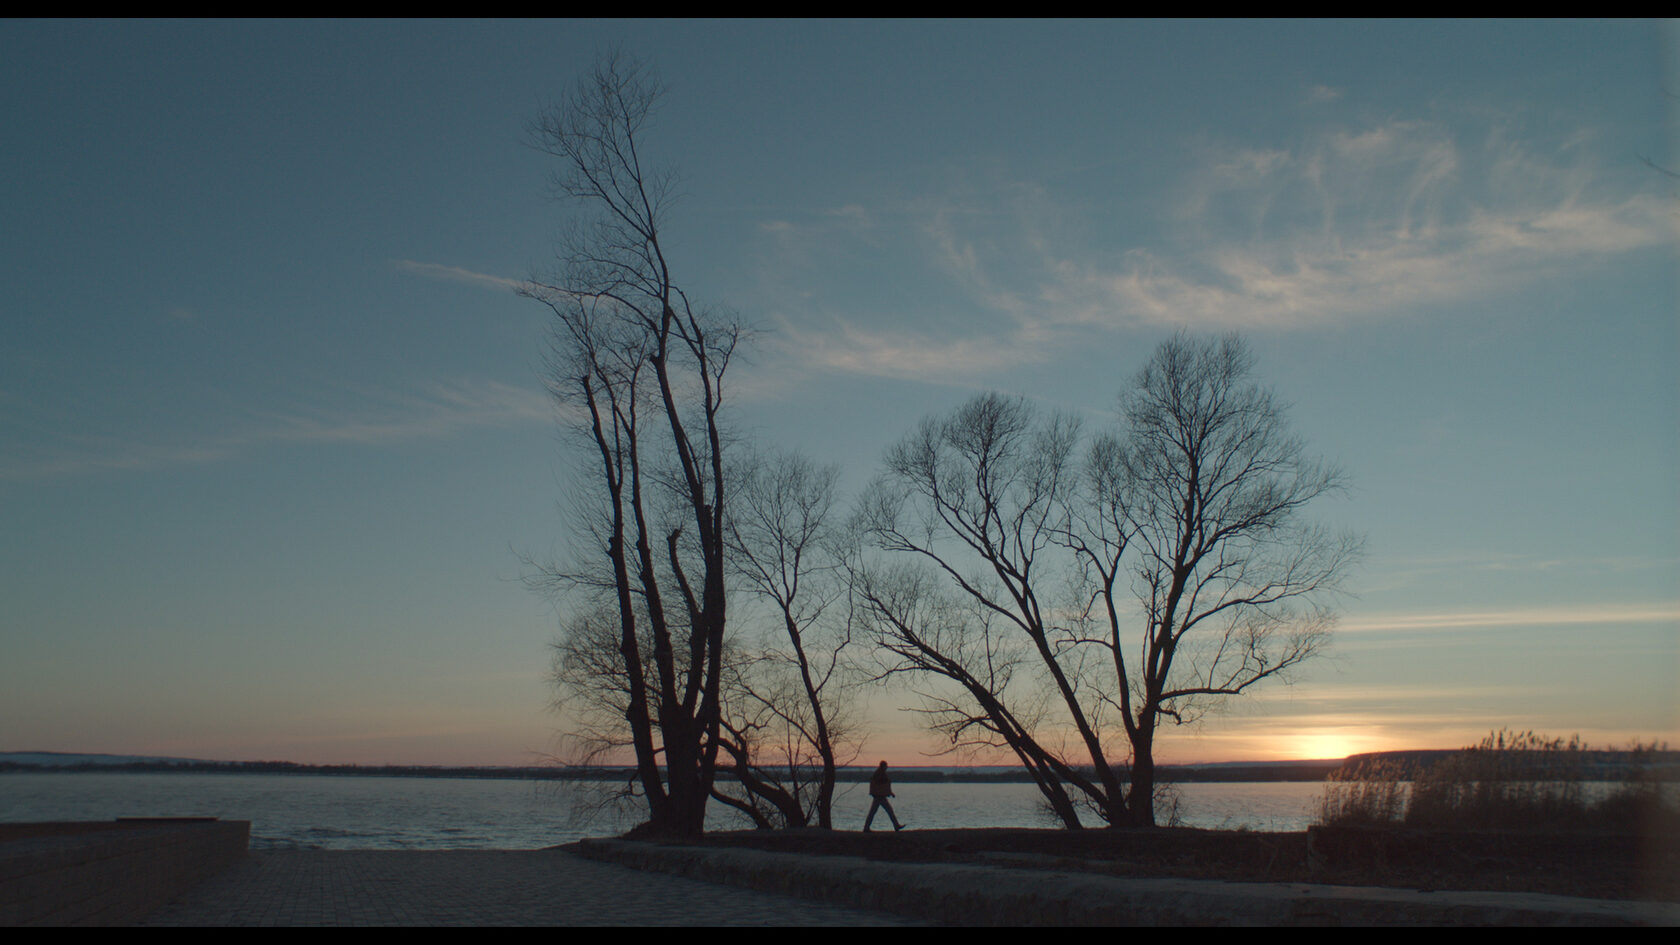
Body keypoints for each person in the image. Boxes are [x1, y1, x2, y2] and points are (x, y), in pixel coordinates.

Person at [863, 760, 905, 832]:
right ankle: (896, 826)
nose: (887, 767)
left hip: (879, 796)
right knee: (888, 811)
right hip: (879, 796)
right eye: (886, 765)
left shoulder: (879, 773)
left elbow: (883, 786)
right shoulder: (880, 774)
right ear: (883, 766)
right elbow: (883, 786)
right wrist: (890, 793)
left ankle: (866, 828)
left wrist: (890, 793)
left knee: (874, 812)